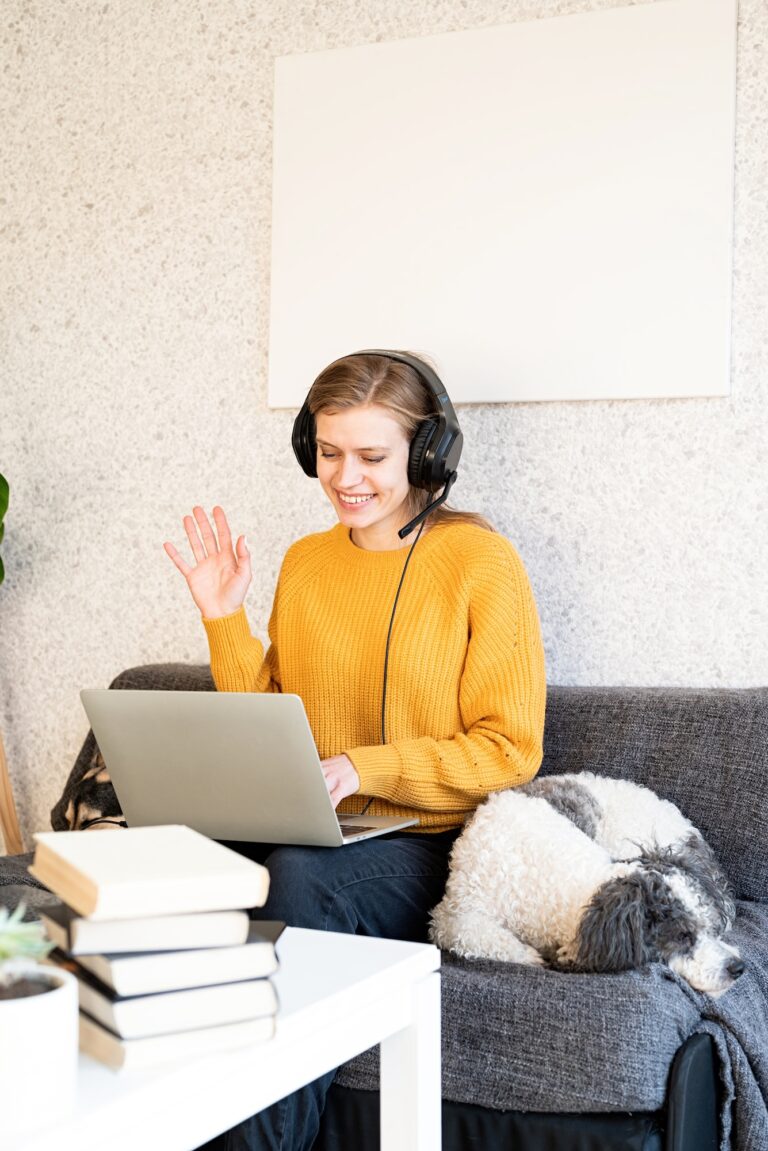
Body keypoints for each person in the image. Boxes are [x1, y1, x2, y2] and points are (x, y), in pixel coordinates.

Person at [164, 349, 547, 1151]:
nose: (347, 477)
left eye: (372, 455)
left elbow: (510, 749)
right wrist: (224, 618)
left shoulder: (481, 563)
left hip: (421, 843)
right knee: (180, 868)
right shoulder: (306, 563)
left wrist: (366, 767)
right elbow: (269, 728)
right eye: (330, 452)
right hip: (317, 829)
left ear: (428, 453)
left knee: (297, 878)